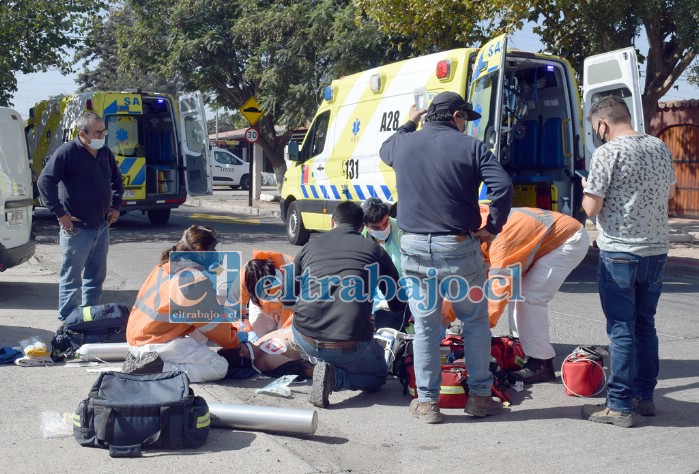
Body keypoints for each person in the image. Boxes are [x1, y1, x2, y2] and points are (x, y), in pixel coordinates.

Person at [379, 91, 513, 423]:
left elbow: (385, 150)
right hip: (457, 247)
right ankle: (480, 398)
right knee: (475, 322)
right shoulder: (472, 148)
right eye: (465, 117)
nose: (466, 124)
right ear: (455, 115)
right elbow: (503, 187)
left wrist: (410, 120)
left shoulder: (403, 144)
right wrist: (491, 227)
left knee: (425, 325)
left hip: (412, 247)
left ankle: (427, 403)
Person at [580, 96, 676, 428]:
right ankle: (644, 397)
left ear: (602, 124)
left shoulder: (607, 153)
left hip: (620, 253)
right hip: (657, 252)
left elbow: (591, 209)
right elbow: (668, 195)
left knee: (621, 330)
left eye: (596, 128)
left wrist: (586, 188)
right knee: (645, 326)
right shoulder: (660, 147)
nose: (598, 134)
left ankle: (618, 406)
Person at [442, 206, 590, 383]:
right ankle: (520, 349)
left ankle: (541, 364)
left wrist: (478, 328)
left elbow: (498, 290)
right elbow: (465, 278)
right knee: (519, 294)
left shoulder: (501, 238)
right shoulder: (477, 225)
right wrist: (444, 315)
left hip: (568, 240)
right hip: (546, 236)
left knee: (529, 296)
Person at [291, 201, 406, 408]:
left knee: (344, 348)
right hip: (349, 344)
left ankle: (325, 366)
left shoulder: (307, 247)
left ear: (331, 221)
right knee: (379, 377)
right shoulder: (375, 251)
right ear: (362, 227)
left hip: (305, 336)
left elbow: (288, 298)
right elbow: (397, 303)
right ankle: (336, 378)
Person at [125, 225, 249, 383]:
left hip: (138, 338)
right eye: (213, 249)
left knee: (201, 334)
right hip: (154, 344)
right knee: (219, 366)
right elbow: (212, 325)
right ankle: (158, 368)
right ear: (202, 252)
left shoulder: (164, 267)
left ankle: (149, 360)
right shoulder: (192, 280)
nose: (216, 254)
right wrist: (236, 340)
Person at [38, 111, 124, 320]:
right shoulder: (67, 152)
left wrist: (115, 206)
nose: (101, 136)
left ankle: (89, 319)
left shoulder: (104, 152)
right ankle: (68, 321)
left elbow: (117, 180)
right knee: (72, 278)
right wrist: (60, 214)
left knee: (96, 277)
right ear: (82, 134)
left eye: (103, 132)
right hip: (76, 229)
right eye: (96, 132)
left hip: (101, 226)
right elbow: (44, 181)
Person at [360, 197, 408, 331]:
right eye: (376, 227)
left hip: (399, 294)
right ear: (366, 226)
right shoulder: (360, 237)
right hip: (369, 297)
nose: (383, 229)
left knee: (386, 330)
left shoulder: (402, 232)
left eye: (386, 223)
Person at [218, 327, 315, 380]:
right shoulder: (268, 359)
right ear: (242, 352)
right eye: (234, 344)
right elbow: (309, 370)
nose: (235, 340)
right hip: (319, 338)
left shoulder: (257, 343)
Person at [236, 250, 295, 337]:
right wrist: (248, 331)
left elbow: (291, 311)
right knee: (256, 335)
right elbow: (238, 309)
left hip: (286, 307)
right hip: (260, 306)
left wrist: (281, 334)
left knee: (285, 337)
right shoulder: (246, 275)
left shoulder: (291, 272)